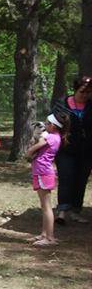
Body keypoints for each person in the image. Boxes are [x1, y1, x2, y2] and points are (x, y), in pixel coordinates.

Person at [52, 74, 92, 225]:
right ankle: (62, 210)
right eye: (82, 92)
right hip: (65, 149)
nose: (85, 95)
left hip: (87, 150)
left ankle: (75, 210)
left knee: (81, 180)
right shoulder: (62, 104)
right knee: (66, 177)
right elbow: (52, 124)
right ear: (75, 90)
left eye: (88, 92)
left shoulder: (91, 105)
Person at [27, 112, 68, 247]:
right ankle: (44, 234)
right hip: (42, 172)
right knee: (44, 206)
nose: (45, 126)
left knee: (46, 207)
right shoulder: (55, 137)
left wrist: (29, 152)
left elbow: (32, 150)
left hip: (43, 173)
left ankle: (50, 237)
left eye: (47, 123)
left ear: (54, 126)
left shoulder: (50, 137)